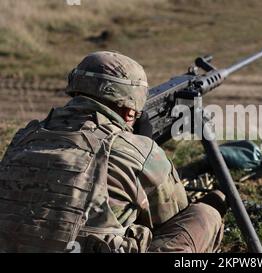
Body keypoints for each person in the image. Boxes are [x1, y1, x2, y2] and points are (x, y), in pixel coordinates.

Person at [0, 51, 227, 253]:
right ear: (130, 110)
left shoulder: (24, 137)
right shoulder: (138, 149)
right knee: (203, 215)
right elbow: (171, 215)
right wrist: (146, 148)